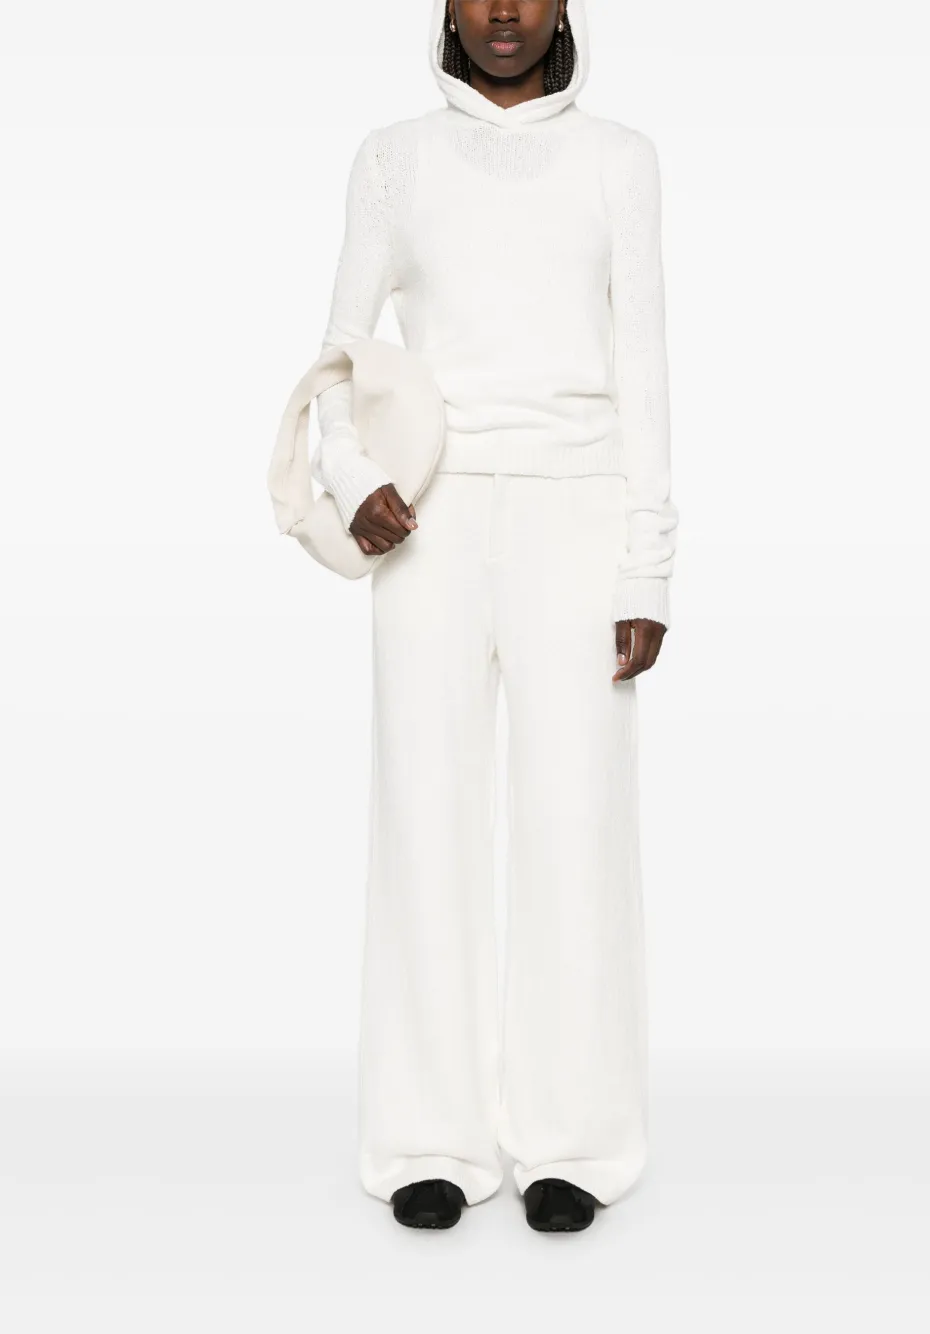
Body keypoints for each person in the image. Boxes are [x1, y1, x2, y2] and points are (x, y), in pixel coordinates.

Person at [310, 0, 678, 1233]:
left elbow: (645, 365)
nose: (502, 10)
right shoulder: (393, 157)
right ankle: (429, 1136)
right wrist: (352, 474)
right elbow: (342, 348)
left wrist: (647, 566)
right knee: (424, 812)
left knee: (577, 819)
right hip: (430, 514)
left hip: (578, 513)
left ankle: (575, 1141)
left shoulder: (619, 158)